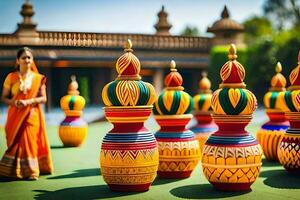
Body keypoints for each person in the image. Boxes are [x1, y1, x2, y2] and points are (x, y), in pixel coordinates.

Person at [0, 47, 53, 180]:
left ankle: (31, 171)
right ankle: (13, 170)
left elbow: (43, 98)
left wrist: (28, 102)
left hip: (31, 114)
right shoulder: (11, 77)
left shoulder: (39, 78)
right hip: (15, 114)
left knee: (29, 140)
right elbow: (3, 97)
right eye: (23, 57)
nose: (27, 60)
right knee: (16, 142)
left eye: (29, 57)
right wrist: (15, 102)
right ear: (18, 60)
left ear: (32, 60)